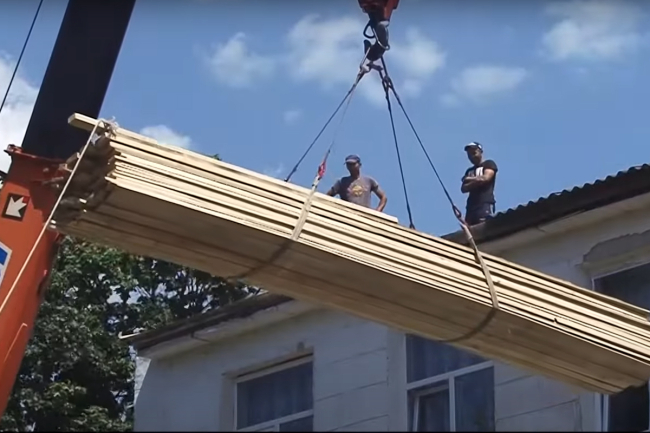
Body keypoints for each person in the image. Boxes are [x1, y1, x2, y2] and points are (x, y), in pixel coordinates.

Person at [461, 142, 498, 225]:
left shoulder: (489, 164)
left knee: (484, 225)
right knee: (470, 229)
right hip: (471, 207)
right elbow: (463, 188)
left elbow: (486, 178)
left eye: (474, 153)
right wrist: (477, 181)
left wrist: (469, 179)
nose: (472, 157)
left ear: (480, 151)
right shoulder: (469, 171)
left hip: (485, 203)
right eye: (469, 155)